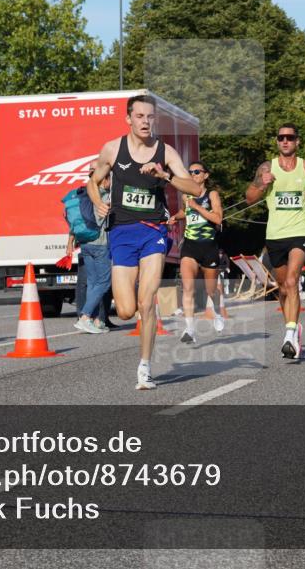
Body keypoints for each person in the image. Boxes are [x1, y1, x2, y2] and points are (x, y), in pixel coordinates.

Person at [87, 95, 202, 390]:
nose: (145, 122)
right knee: (125, 310)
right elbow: (92, 180)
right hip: (122, 233)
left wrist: (165, 175)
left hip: (154, 231)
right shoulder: (113, 149)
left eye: (150, 117)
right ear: (129, 119)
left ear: (155, 120)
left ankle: (145, 367)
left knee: (146, 301)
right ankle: (141, 309)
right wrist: (98, 200)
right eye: (139, 116)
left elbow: (194, 186)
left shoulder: (165, 151)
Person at [245, 123, 305, 359]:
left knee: (291, 280)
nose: (285, 141)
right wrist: (263, 184)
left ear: (297, 141)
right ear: (277, 142)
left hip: (300, 231)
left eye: (290, 137)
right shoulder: (267, 168)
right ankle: (293, 325)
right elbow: (249, 198)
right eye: (281, 137)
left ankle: (289, 336)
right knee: (283, 288)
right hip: (275, 234)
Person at [170, 161, 224, 343]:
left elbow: (217, 218)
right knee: (188, 287)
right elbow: (185, 212)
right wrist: (174, 217)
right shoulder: (186, 196)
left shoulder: (212, 194)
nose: (193, 175)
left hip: (209, 247)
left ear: (205, 175)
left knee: (211, 290)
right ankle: (190, 329)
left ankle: (216, 312)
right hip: (190, 246)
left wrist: (197, 207)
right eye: (190, 172)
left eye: (197, 172)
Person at [73, 169, 113, 334]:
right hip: (100, 243)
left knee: (93, 282)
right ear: (104, 180)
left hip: (85, 243)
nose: (111, 182)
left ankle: (95, 321)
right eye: (109, 179)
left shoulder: (85, 195)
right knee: (104, 282)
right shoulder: (105, 196)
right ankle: (85, 317)